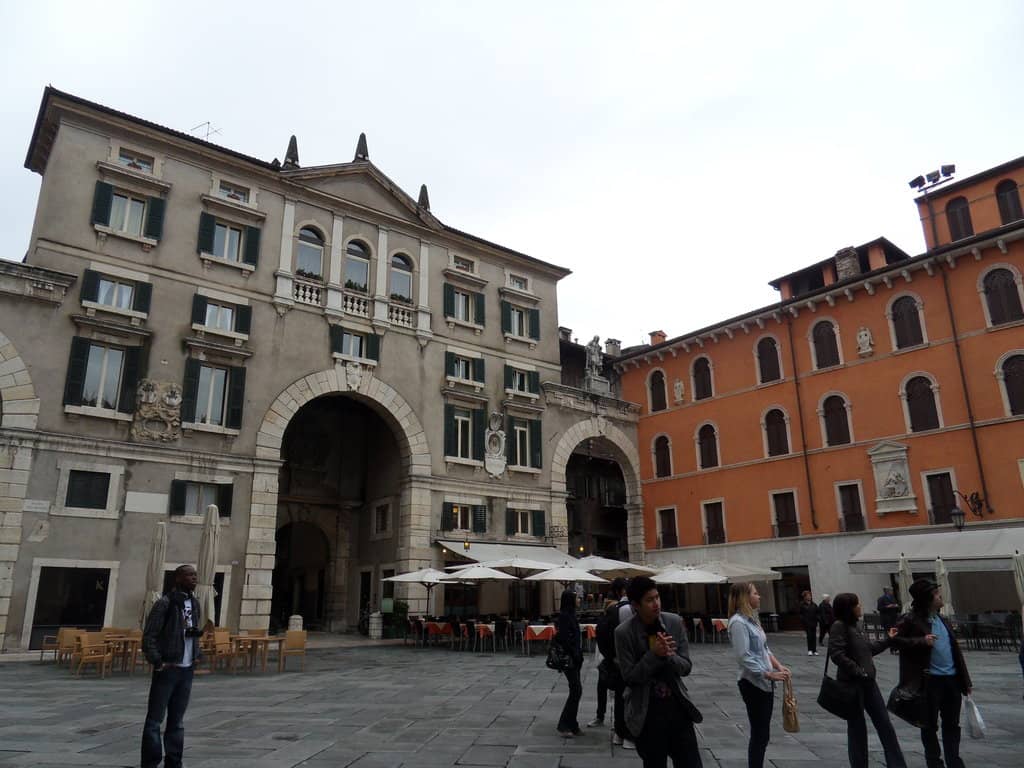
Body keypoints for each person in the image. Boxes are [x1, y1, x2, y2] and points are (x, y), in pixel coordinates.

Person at [615, 575, 703, 767]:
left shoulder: (673, 622)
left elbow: (686, 666)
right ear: (635, 605)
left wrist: (669, 656)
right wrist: (653, 655)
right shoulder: (624, 633)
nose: (656, 603)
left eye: (657, 597)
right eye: (649, 600)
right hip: (647, 712)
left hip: (677, 707)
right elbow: (629, 677)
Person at [890, 579, 972, 768]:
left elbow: (955, 652)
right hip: (929, 682)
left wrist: (965, 681)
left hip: (951, 680)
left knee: (952, 724)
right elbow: (894, 641)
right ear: (927, 599)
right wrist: (921, 641)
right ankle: (934, 762)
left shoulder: (942, 619)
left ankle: (954, 761)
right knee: (928, 725)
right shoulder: (910, 619)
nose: (940, 596)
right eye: (935, 594)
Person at [828, 593, 907, 768]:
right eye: (857, 604)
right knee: (857, 729)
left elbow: (867, 649)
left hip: (869, 683)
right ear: (849, 608)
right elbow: (836, 654)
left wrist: (888, 640)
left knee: (885, 725)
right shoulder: (839, 626)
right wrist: (858, 671)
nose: (860, 606)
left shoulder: (856, 626)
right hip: (852, 684)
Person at [141, 564, 204, 768]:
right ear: (178, 579)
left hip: (186, 670)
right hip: (168, 669)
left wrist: (196, 654)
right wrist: (158, 661)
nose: (194, 578)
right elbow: (149, 636)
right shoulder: (164, 604)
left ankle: (174, 762)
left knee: (177, 721)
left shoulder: (194, 603)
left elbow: (192, 634)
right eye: (189, 575)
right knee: (155, 721)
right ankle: (150, 763)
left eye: (195, 575)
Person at [727, 582, 790, 768]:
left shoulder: (752, 619)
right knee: (759, 734)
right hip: (752, 683)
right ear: (745, 597)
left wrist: (778, 666)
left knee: (763, 733)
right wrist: (768, 674)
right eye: (755, 593)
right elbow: (743, 656)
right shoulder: (738, 622)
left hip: (764, 681)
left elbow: (764, 648)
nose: (759, 596)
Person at [590, 577, 634, 749]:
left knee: (619, 697)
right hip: (628, 662)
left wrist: (610, 657)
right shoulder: (630, 609)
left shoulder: (611, 609)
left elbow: (600, 632)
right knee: (630, 697)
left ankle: (618, 733)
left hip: (614, 661)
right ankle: (629, 736)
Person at [554, 588, 584, 737]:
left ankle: (572, 724)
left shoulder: (571, 615)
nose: (579, 600)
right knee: (576, 690)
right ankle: (564, 725)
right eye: (577, 598)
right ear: (570, 600)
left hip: (575, 658)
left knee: (576, 690)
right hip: (570, 659)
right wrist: (574, 653)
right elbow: (565, 639)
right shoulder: (565, 617)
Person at [799, 590, 820, 656]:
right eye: (807, 596)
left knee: (814, 636)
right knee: (809, 636)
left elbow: (817, 613)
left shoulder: (814, 604)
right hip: (807, 623)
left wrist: (817, 619)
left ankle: (815, 650)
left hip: (813, 623)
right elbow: (801, 614)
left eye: (810, 596)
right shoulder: (802, 605)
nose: (809, 597)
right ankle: (810, 650)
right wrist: (803, 620)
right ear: (804, 597)